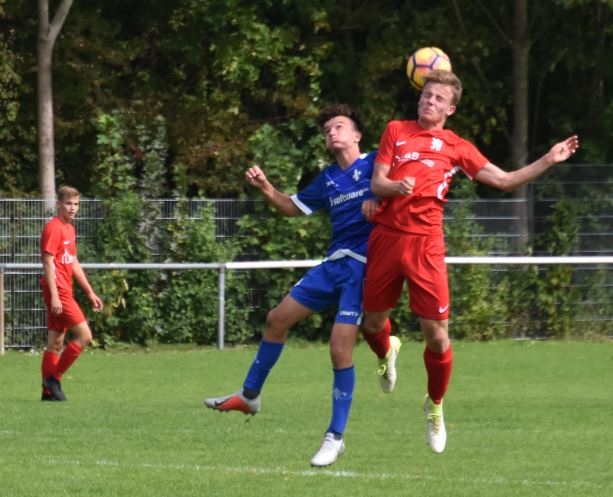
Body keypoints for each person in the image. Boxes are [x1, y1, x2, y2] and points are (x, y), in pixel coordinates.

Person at [361, 69, 579, 454]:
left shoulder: (457, 147)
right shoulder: (396, 130)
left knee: (438, 337)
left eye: (438, 98)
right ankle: (386, 353)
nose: (429, 101)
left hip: (426, 245)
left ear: (451, 109)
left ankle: (435, 405)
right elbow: (378, 183)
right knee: (372, 325)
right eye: (426, 94)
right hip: (387, 238)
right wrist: (395, 186)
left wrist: (548, 158)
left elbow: (506, 181)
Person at [204, 103, 401, 467]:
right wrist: (266, 187)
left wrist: (381, 196)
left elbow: (406, 186)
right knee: (276, 319)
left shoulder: (378, 163)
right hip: (333, 264)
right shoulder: (327, 179)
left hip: (364, 267)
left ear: (357, 135)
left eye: (338, 126)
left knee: (339, 349)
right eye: (326, 130)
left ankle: (335, 437)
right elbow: (293, 207)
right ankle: (249, 395)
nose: (331, 132)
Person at [40, 185, 103, 401]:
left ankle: (48, 393)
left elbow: (73, 261)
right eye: (68, 203)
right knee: (85, 336)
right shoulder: (53, 228)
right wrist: (55, 296)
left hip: (65, 289)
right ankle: (53, 379)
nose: (73, 208)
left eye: (76, 204)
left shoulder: (69, 228)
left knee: (56, 342)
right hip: (58, 290)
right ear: (59, 204)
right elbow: (48, 263)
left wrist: (89, 292)